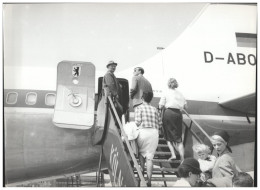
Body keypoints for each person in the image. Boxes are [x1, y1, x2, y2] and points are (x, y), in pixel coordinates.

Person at [135, 91, 162, 187]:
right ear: (151, 99)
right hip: (154, 133)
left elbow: (137, 122)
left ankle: (141, 178)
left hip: (143, 132)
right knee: (150, 157)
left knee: (141, 155)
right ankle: (149, 181)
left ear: (142, 98)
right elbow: (160, 124)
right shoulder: (155, 109)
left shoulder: (139, 108)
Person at [158, 78, 187, 161]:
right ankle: (182, 158)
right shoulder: (180, 94)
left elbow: (160, 106)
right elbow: (186, 106)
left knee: (168, 136)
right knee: (178, 138)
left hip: (169, 113)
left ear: (168, 84)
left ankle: (173, 154)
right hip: (178, 114)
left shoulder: (166, 92)